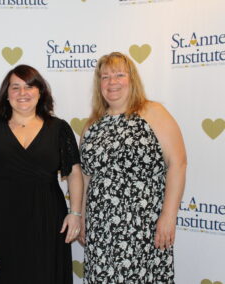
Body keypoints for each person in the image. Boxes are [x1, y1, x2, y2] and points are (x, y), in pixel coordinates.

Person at [0, 64, 83, 284]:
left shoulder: (59, 128)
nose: (22, 93)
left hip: (47, 218)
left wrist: (75, 213)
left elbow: (74, 173)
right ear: (6, 94)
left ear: (40, 92)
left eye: (29, 86)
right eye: (15, 87)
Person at [79, 52, 187, 284]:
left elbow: (178, 163)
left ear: (132, 79)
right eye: (105, 77)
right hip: (102, 229)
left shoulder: (153, 112)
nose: (112, 82)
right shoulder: (92, 125)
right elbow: (87, 178)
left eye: (119, 75)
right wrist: (83, 219)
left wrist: (168, 216)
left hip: (144, 226)